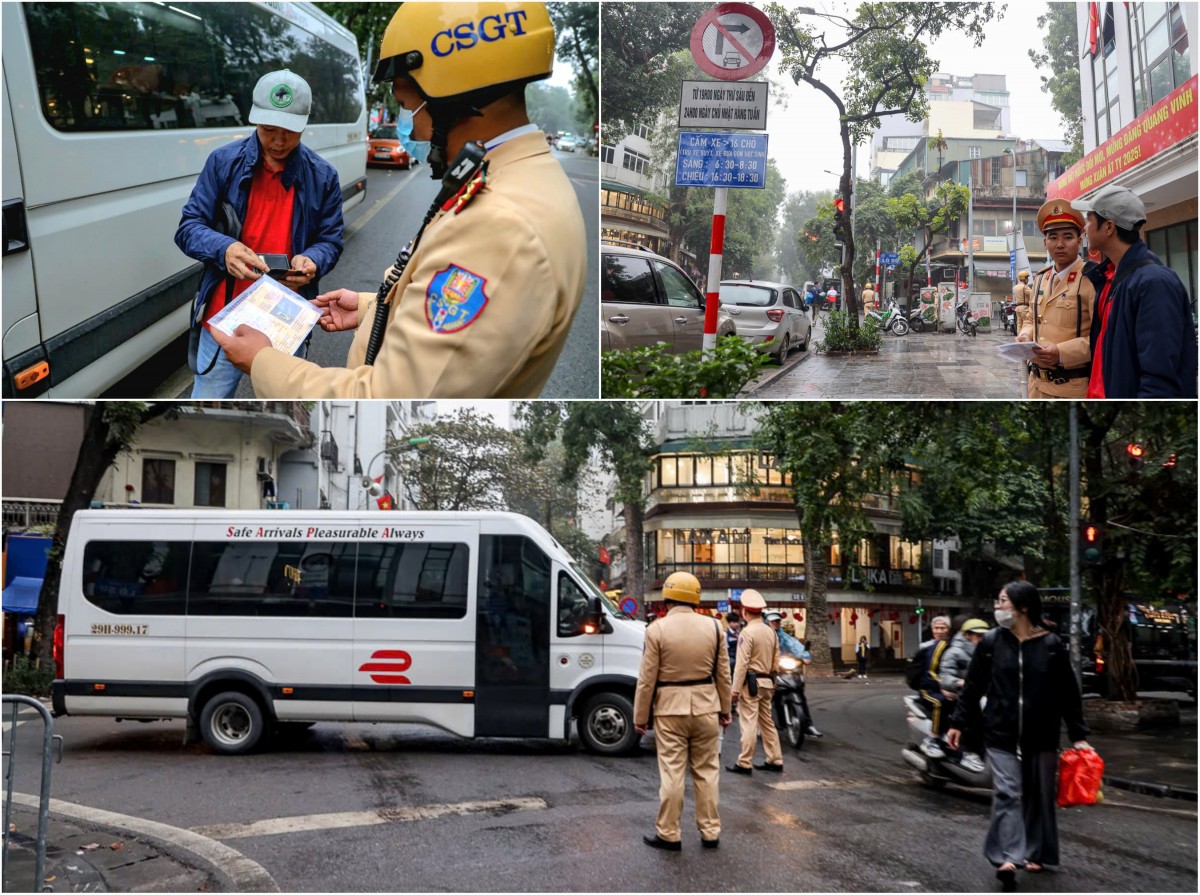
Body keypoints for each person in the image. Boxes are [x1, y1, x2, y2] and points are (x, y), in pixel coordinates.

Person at [211, 1, 587, 399]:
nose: (416, 132)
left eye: (409, 108)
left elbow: (391, 394)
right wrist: (376, 308)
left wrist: (264, 361)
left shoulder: (501, 225)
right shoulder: (520, 181)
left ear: (452, 94)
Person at [175, 69, 344, 398]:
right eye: (269, 130)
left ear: (305, 125)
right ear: (255, 121)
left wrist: (313, 260)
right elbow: (189, 227)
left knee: (285, 405)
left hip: (287, 317)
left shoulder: (323, 176)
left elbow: (331, 240)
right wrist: (224, 249)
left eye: (290, 132)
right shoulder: (223, 163)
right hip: (225, 316)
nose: (279, 141)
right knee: (208, 404)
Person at [948, 582, 1091, 891]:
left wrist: (1078, 734)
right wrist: (958, 721)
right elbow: (973, 686)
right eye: (998, 601)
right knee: (1008, 793)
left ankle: (1037, 852)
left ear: (1023, 606)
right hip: (1000, 732)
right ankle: (1007, 857)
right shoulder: (991, 643)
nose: (998, 608)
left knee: (1040, 794)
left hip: (1042, 733)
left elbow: (1068, 692)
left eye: (1003, 602)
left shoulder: (1051, 644)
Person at [633, 572, 732, 851]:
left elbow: (646, 679)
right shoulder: (715, 628)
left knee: (673, 772)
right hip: (706, 708)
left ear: (666, 601)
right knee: (707, 772)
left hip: (669, 710)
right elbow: (723, 675)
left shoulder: (656, 630)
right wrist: (725, 710)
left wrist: (641, 718)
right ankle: (710, 832)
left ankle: (669, 833)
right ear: (695, 600)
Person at [1073, 186, 1198, 398]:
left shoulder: (1153, 283)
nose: (1085, 228)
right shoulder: (1112, 278)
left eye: (1089, 220)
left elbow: (1159, 379)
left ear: (1109, 227)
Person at [1014, 200, 1096, 399]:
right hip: (1035, 385)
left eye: (1068, 237)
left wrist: (1061, 352)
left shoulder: (1092, 279)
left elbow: (1104, 337)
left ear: (1079, 240)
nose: (1060, 244)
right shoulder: (1041, 278)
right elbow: (1031, 319)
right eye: (1053, 238)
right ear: (1045, 243)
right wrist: (1025, 335)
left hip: (1072, 388)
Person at [727, 590, 783, 775]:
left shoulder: (747, 633)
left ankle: (745, 762)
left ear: (745, 612)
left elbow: (742, 664)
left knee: (749, 722)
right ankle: (775, 759)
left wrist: (734, 690)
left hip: (751, 684)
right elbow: (776, 661)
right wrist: (773, 683)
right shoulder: (771, 632)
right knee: (767, 722)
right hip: (767, 683)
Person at [937, 617, 990, 773]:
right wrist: (960, 683)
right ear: (967, 635)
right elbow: (945, 678)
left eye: (983, 636)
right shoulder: (953, 653)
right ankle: (968, 753)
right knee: (973, 718)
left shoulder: (987, 652)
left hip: (986, 696)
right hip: (963, 697)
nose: (981, 639)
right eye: (978, 636)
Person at [765, 611, 821, 737]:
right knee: (766, 696)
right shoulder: (763, 636)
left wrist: (805, 656)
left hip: (783, 669)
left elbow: (795, 645)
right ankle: (764, 723)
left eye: (778, 621)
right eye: (773, 621)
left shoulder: (783, 636)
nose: (776, 624)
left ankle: (808, 725)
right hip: (767, 671)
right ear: (767, 622)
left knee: (799, 692)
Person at [915, 615, 952, 759]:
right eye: (936, 628)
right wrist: (944, 687)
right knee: (940, 702)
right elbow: (929, 674)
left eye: (942, 628)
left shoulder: (952, 647)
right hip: (928, 689)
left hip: (950, 688)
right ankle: (933, 739)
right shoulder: (927, 648)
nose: (939, 631)